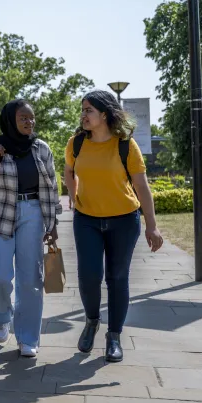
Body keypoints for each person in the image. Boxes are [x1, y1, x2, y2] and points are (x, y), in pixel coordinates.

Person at [63, 90, 164, 363]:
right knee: (88, 276)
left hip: (124, 220)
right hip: (87, 220)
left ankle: (114, 336)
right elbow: (68, 171)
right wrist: (74, 196)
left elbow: (142, 186)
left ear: (104, 115)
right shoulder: (76, 144)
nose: (83, 115)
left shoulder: (125, 145)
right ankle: (92, 321)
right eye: (82, 110)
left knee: (117, 278)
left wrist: (152, 226)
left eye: (88, 110)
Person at [0, 100, 61, 358]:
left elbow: (52, 187)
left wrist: (52, 224)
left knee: (31, 279)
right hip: (1, 214)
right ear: (11, 119)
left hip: (33, 212)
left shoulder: (41, 148)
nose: (29, 122)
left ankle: (28, 338)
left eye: (32, 118)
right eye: (23, 117)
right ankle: (2, 316)